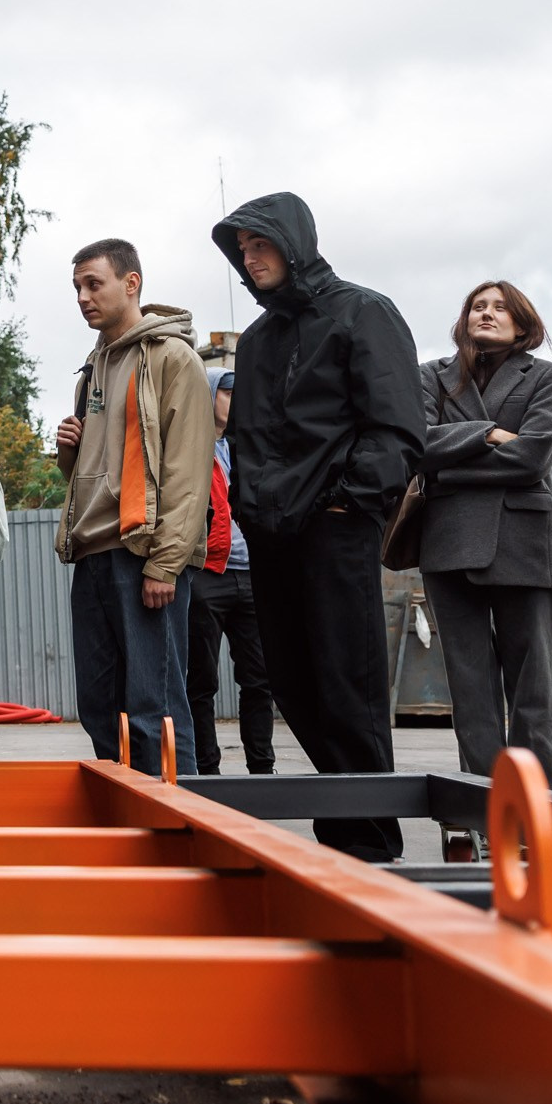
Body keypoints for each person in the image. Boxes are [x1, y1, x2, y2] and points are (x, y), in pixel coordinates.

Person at [212, 193, 420, 861]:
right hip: (270, 536)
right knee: (293, 684)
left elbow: (395, 427)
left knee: (346, 684)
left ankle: (372, 841)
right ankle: (343, 831)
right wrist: (249, 504)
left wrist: (350, 501)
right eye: (241, 249)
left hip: (335, 529)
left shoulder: (364, 311)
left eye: (260, 244)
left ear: (293, 241)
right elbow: (243, 435)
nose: (250, 258)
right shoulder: (261, 339)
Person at [53, 239, 211, 777]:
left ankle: (181, 830)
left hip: (143, 556)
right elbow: (90, 476)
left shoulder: (173, 358)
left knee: (155, 709)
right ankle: (125, 827)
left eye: (93, 284)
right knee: (101, 710)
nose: (82, 297)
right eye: (76, 287)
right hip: (93, 555)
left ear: (131, 283)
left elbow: (188, 471)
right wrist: (68, 454)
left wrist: (165, 563)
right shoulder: (90, 370)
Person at [416, 281, 552, 788]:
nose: (487, 313)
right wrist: (487, 434)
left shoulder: (546, 376)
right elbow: (418, 445)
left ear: (521, 324)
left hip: (523, 541)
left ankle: (544, 807)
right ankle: (485, 808)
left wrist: (452, 467)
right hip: (449, 542)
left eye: (500, 308)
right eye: (478, 306)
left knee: (535, 686)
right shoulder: (432, 376)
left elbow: (533, 457)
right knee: (470, 686)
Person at [187, 367, 276, 776]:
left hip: (254, 577)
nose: (237, 400)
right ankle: (208, 771)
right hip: (207, 574)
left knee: (259, 679)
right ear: (209, 396)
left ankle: (263, 767)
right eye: (228, 392)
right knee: (201, 681)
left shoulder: (247, 448)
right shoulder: (191, 449)